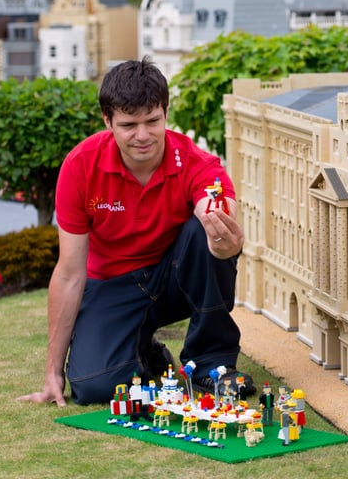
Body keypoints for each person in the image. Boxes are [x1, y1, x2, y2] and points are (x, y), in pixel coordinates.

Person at [19, 57, 252, 406]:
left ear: (166, 113)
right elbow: (69, 274)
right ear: (107, 120)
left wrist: (223, 239)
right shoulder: (80, 166)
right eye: (129, 124)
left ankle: (210, 362)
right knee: (94, 388)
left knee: (203, 231)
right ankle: (145, 349)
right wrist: (53, 373)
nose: (142, 135)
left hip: (170, 279)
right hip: (112, 285)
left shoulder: (195, 162)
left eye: (152, 121)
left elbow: (217, 203)